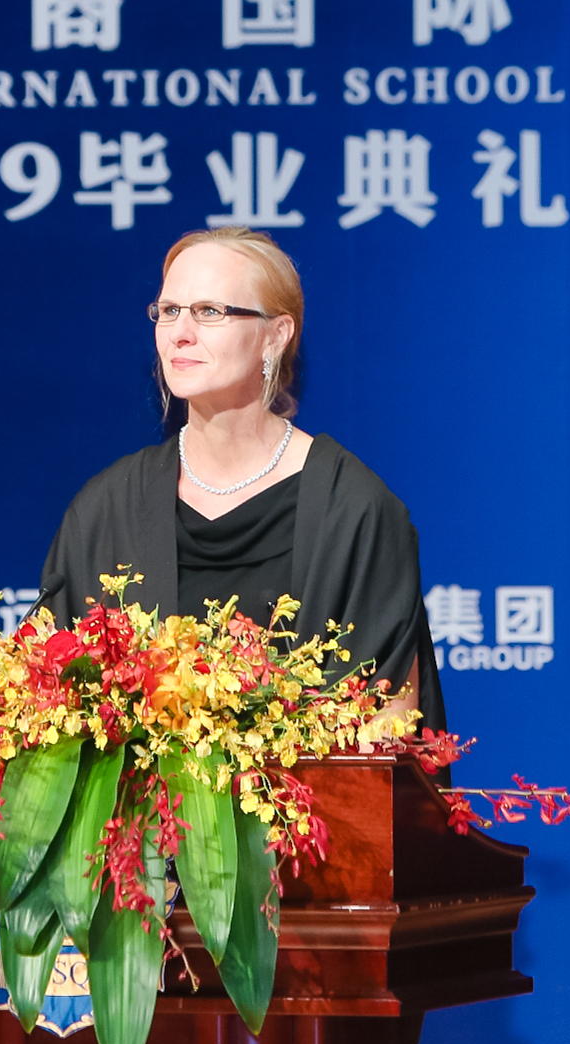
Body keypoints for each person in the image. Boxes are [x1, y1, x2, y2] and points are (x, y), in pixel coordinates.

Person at [36, 227, 445, 734]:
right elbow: (50, 703)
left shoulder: (354, 511)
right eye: (169, 310)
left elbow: (389, 727)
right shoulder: (105, 511)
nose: (180, 332)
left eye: (210, 311)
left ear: (276, 335)